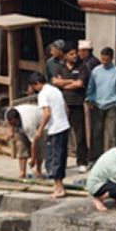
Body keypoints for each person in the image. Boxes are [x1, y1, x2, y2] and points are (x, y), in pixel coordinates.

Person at [31, 71, 70, 199]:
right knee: (61, 156)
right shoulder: (55, 90)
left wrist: (40, 129)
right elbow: (66, 108)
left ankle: (59, 188)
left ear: (37, 84)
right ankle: (58, 185)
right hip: (64, 125)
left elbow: (47, 113)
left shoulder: (43, 94)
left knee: (54, 158)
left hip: (55, 128)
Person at [52, 44, 91, 172]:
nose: (75, 56)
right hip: (62, 105)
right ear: (65, 55)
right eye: (71, 54)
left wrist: (64, 82)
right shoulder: (59, 67)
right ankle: (60, 162)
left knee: (80, 136)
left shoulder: (82, 67)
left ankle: (82, 161)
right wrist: (71, 82)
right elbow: (55, 82)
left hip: (77, 104)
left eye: (75, 53)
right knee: (62, 134)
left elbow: (80, 83)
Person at [86, 47, 116, 161]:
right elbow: (91, 87)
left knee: (112, 134)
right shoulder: (96, 71)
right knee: (96, 134)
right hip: (97, 105)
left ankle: (111, 159)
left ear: (112, 58)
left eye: (107, 59)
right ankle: (96, 158)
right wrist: (90, 99)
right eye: (102, 59)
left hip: (112, 105)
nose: (104, 62)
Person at [6, 104, 44, 179]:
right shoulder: (8, 113)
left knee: (39, 147)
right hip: (23, 124)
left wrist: (33, 159)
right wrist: (11, 130)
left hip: (38, 123)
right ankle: (22, 172)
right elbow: (9, 123)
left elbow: (34, 144)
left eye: (14, 123)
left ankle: (38, 171)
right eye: (11, 123)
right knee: (21, 147)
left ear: (18, 119)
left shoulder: (28, 124)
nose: (12, 125)